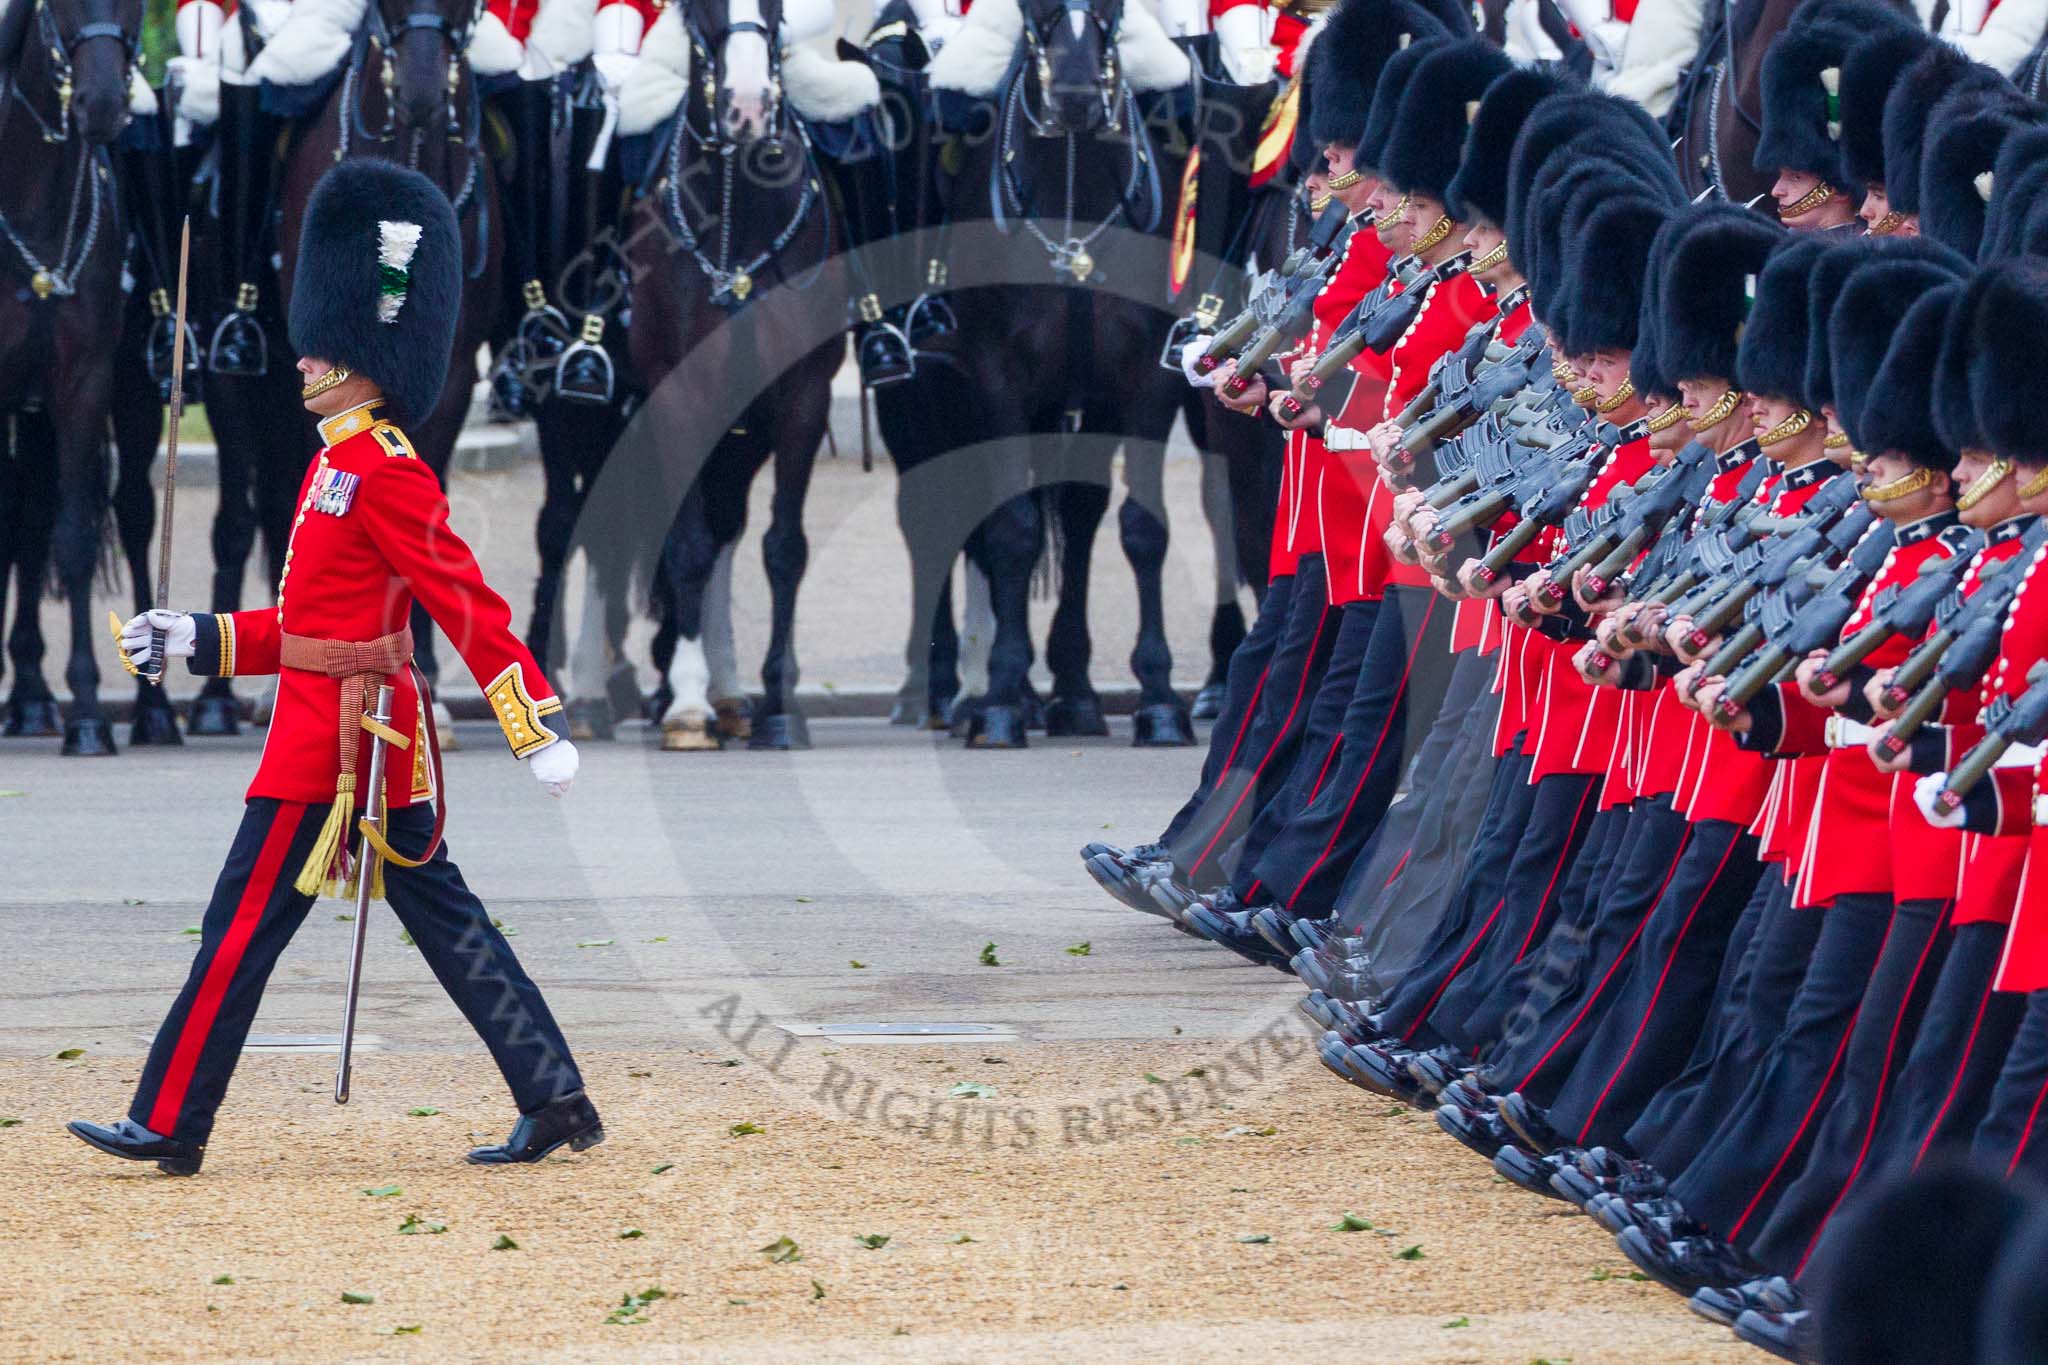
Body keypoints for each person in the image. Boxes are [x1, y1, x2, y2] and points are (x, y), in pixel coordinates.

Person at [67, 160, 599, 1177]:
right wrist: (196, 638)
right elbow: (303, 627)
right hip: (339, 731)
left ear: (364, 359)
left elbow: (464, 599)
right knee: (445, 921)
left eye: (325, 351)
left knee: (237, 929)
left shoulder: (388, 469)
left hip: (345, 746)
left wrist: (530, 720)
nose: (305, 361)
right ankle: (556, 1096)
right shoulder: (331, 464)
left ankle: (171, 1119)